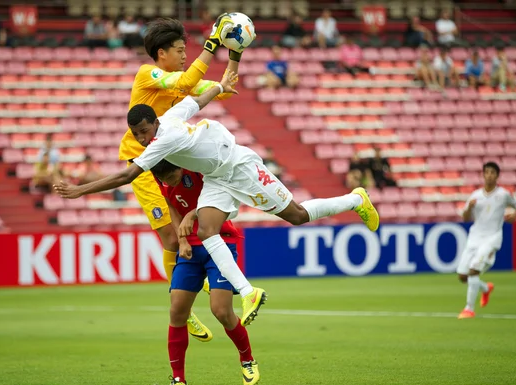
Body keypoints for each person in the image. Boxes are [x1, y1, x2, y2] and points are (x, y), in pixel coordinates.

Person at [53, 71, 379, 324]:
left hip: (238, 165)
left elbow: (127, 176)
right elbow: (197, 101)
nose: (142, 139)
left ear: (154, 122)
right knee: (207, 231)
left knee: (296, 215)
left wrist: (78, 191)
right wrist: (220, 85)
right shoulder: (169, 119)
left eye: (144, 131)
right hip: (217, 176)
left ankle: (355, 199)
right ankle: (250, 293)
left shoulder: (164, 140)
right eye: (136, 135)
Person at [112, 16, 242, 338]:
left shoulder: (177, 79)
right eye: (180, 50)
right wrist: (212, 44)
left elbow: (216, 91)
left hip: (167, 159)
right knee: (171, 237)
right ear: (161, 53)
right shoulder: (148, 75)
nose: (185, 55)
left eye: (187, 50)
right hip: (141, 162)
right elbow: (184, 84)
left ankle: (204, 286)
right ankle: (183, 306)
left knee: (196, 222)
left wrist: (231, 66)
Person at [150, 160, 260, 385]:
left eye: (172, 178)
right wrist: (180, 240)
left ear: (181, 167)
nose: (169, 183)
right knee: (177, 311)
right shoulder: (161, 176)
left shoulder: (199, 168)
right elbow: (171, 206)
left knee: (221, 311)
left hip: (219, 241)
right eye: (165, 180)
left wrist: (193, 213)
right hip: (190, 249)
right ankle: (178, 378)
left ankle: (247, 360)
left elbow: (221, 199)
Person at [457, 162, 516, 319]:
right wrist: (468, 209)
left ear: (497, 175)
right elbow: (466, 218)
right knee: (462, 276)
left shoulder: (503, 194)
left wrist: (515, 214)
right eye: (486, 172)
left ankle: (469, 309)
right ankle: (486, 288)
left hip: (492, 238)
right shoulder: (475, 196)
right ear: (483, 174)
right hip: (474, 238)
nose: (489, 175)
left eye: (492, 172)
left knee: (474, 270)